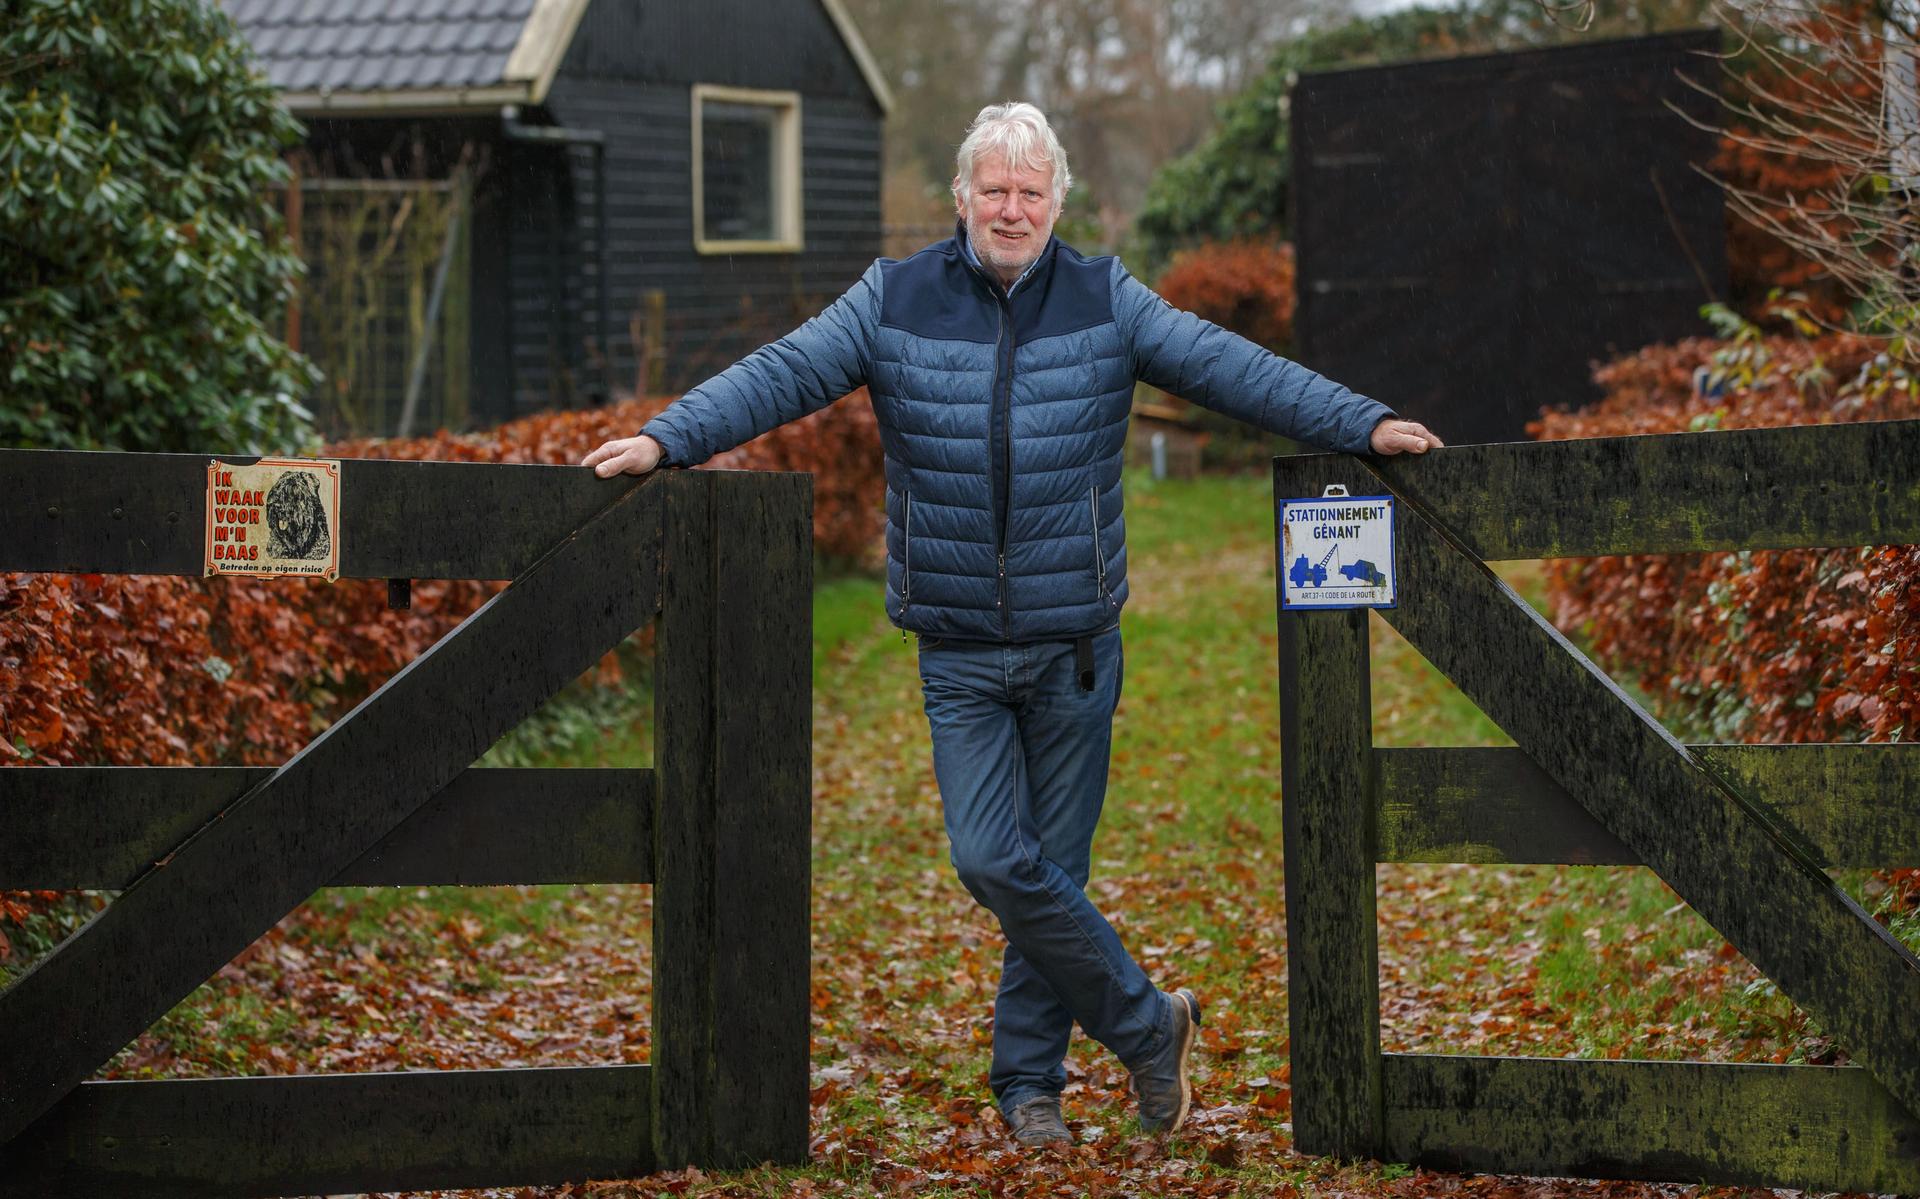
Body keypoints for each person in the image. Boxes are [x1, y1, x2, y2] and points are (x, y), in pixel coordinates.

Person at [582, 101, 1441, 1148]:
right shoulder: (891, 299)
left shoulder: (1104, 297)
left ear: (1058, 202)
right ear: (961, 198)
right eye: (994, 189)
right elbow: (783, 371)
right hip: (958, 648)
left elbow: (1231, 367)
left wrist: (1359, 419)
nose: (1012, 209)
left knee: (1054, 876)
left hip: (1077, 645)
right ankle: (1147, 1020)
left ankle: (1030, 1087)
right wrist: (669, 437)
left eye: (1031, 192)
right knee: (995, 858)